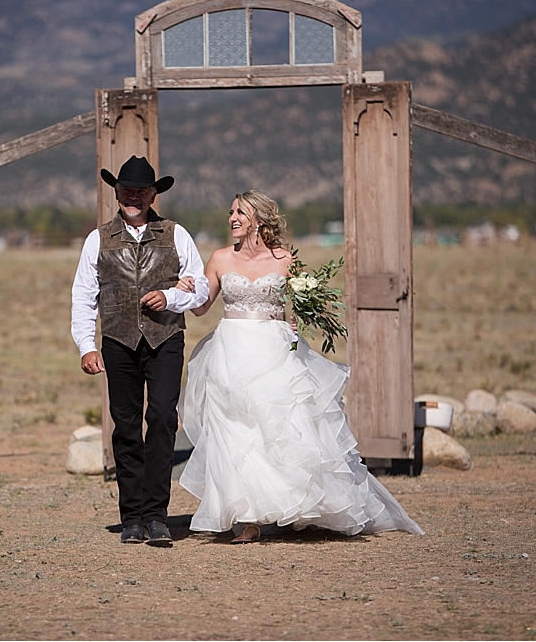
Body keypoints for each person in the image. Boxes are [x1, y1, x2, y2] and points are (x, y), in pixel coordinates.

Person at [174, 190, 423, 543]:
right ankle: (245, 519)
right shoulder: (218, 258)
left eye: (240, 213)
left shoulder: (285, 260)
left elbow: (302, 304)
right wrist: (186, 288)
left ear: (258, 220)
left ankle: (296, 508)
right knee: (235, 433)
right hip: (231, 350)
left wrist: (292, 322)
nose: (232, 218)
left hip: (273, 349)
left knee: (283, 427)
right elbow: (201, 307)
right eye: (230, 212)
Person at [71, 155, 209, 546]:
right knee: (126, 425)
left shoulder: (176, 234)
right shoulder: (98, 239)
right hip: (117, 341)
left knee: (164, 419)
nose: (133, 197)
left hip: (165, 340)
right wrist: (86, 345)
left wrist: (169, 297)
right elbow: (83, 296)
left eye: (141, 191)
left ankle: (157, 514)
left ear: (153, 194)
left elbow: (200, 289)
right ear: (116, 193)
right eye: (126, 190)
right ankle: (132, 517)